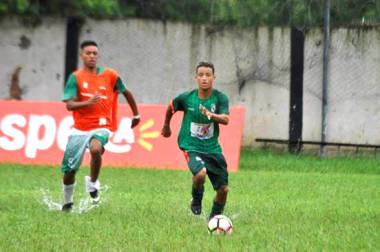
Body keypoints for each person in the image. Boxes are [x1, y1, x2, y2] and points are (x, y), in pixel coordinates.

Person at [60, 40, 140, 211]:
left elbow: (126, 92)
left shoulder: (110, 75)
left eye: (95, 53)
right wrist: (88, 102)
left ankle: (93, 182)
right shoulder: (76, 78)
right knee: (69, 171)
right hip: (80, 128)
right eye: (88, 53)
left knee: (96, 149)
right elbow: (69, 105)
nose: (92, 56)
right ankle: (67, 202)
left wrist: (136, 114)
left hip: (103, 125)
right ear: (82, 55)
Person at [161, 62, 230, 220]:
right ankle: (196, 200)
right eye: (201, 75)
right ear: (196, 78)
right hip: (191, 145)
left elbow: (226, 119)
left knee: (224, 190)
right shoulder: (187, 98)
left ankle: (214, 219)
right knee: (200, 174)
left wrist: (211, 115)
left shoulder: (220, 98)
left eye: (208, 75)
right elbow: (171, 107)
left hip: (212, 148)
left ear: (214, 77)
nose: (204, 78)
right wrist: (166, 126)